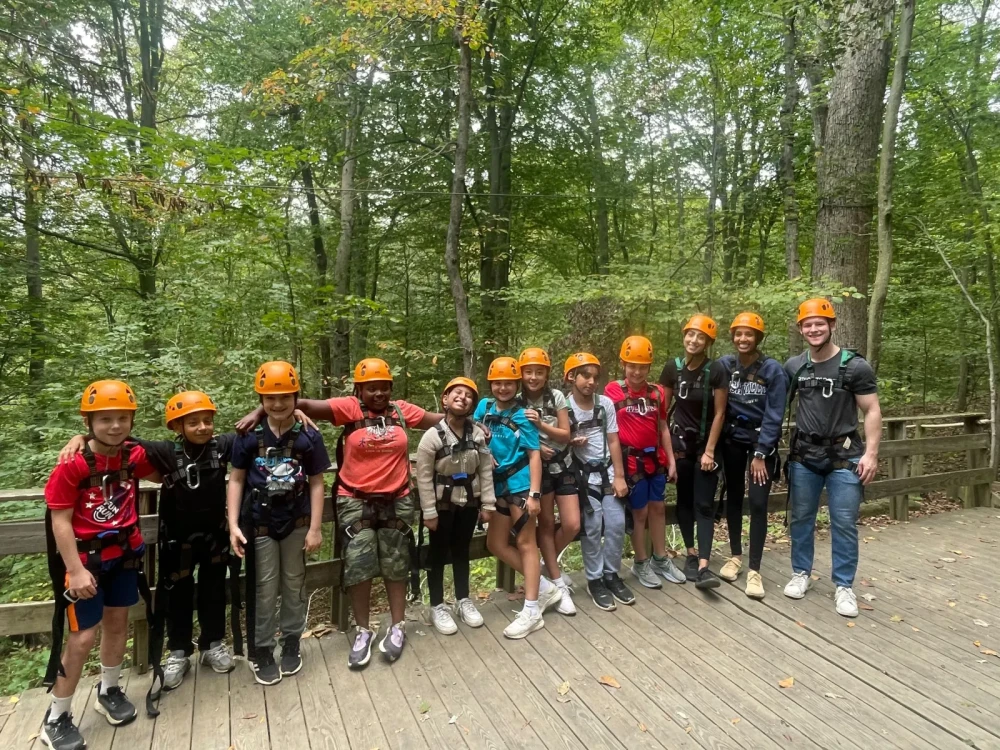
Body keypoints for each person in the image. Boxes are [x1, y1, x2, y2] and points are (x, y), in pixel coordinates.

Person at [236, 358, 442, 668]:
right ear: (360, 390)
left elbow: (438, 419)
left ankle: (397, 626)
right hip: (355, 499)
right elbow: (296, 400)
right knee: (358, 567)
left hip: (396, 498)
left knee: (397, 565)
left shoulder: (401, 411)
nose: (379, 393)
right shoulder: (349, 408)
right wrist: (258, 411)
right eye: (371, 388)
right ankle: (363, 630)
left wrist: (475, 415)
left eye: (384, 387)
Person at [41, 380, 160, 750]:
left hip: (123, 559)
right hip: (85, 564)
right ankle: (56, 716)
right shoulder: (72, 463)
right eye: (104, 419)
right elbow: (59, 519)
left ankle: (108, 689)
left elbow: (166, 464)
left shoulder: (133, 457)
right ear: (89, 421)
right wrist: (74, 569)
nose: (114, 426)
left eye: (122, 418)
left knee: (117, 624)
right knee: (82, 638)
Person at [227, 362, 328, 686]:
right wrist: (233, 524)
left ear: (296, 397)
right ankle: (262, 650)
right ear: (261, 400)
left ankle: (292, 642)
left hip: (296, 521)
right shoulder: (248, 437)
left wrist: (314, 528)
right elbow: (237, 479)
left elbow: (316, 482)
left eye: (285, 397)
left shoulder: (308, 436)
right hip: (260, 524)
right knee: (264, 588)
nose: (278, 404)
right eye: (270, 399)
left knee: (294, 583)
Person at [783, 299, 881, 618]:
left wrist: (871, 453)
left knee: (843, 521)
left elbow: (872, 409)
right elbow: (772, 404)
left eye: (819, 323)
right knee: (801, 517)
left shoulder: (854, 366)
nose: (813, 329)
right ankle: (801, 573)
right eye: (807, 324)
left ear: (832, 325)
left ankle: (844, 586)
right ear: (801, 329)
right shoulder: (795, 366)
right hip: (804, 456)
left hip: (845, 455)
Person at [476, 356, 559, 638]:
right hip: (496, 487)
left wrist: (535, 494)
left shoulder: (523, 414)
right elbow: (471, 432)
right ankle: (545, 586)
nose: (503, 388)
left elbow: (535, 455)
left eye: (509, 383)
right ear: (491, 384)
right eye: (498, 383)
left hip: (521, 485)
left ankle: (532, 609)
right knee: (496, 543)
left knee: (525, 543)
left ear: (516, 384)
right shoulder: (484, 408)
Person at [415, 377, 495, 634]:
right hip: (442, 505)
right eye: (456, 393)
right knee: (437, 553)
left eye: (468, 395)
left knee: (462, 551)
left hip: (469, 503)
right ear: (445, 400)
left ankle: (463, 599)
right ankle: (437, 605)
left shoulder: (478, 434)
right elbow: (424, 477)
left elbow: (485, 470)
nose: (462, 397)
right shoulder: (432, 437)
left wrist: (488, 504)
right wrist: (428, 511)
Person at [604, 336, 686, 590]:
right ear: (623, 365)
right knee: (639, 513)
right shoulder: (613, 390)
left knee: (658, 509)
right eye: (632, 366)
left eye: (642, 366)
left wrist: (671, 460)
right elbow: (610, 430)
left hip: (655, 460)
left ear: (649, 367)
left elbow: (662, 427)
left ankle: (660, 558)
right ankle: (641, 562)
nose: (637, 372)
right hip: (631, 463)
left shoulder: (657, 393)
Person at [717, 313, 788, 599]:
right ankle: (735, 556)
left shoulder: (772, 370)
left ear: (758, 337)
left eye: (749, 334)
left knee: (758, 503)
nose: (743, 339)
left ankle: (755, 569)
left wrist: (761, 452)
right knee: (733, 496)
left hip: (761, 440)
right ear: (732, 336)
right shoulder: (726, 365)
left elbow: (775, 412)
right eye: (738, 334)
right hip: (733, 438)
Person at [658, 315, 728, 590]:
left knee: (704, 504)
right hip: (680, 445)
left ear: (708, 342)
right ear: (684, 336)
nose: (694, 340)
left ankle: (704, 565)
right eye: (691, 335)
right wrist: (666, 453)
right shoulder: (672, 368)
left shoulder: (716, 370)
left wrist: (710, 451)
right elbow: (662, 414)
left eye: (701, 337)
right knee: (685, 501)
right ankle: (690, 553)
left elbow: (721, 412)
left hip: (707, 445)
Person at [564, 352, 634, 611]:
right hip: (583, 478)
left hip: (607, 474)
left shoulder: (604, 404)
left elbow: (613, 439)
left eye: (595, 376)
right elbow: (557, 441)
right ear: (572, 377)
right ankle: (594, 579)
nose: (591, 381)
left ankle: (611, 575)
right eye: (585, 375)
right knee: (592, 528)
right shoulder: (566, 408)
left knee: (615, 524)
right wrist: (570, 441)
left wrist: (619, 476)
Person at [518, 347, 578, 616]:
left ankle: (545, 565)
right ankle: (556, 583)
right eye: (528, 372)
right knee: (545, 524)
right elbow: (511, 436)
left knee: (572, 524)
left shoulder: (556, 397)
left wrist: (542, 425)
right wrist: (536, 449)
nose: (533, 377)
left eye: (538, 372)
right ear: (521, 374)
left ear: (546, 374)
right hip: (535, 471)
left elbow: (565, 434)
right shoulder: (515, 401)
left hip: (562, 465)